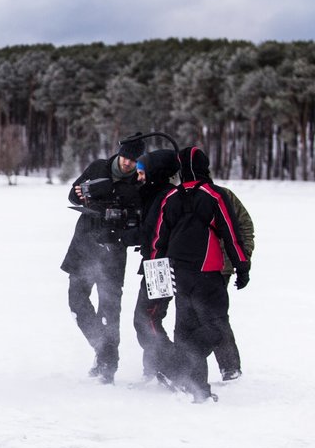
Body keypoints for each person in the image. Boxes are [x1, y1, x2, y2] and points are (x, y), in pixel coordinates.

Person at [149, 147, 250, 402]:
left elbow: (159, 239)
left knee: (185, 329)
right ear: (205, 168)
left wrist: (156, 270)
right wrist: (242, 266)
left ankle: (198, 389)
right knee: (215, 327)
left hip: (179, 273)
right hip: (208, 272)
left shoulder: (171, 196)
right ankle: (184, 365)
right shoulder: (214, 195)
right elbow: (231, 231)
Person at [61, 133, 145, 384]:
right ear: (119, 154)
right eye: (125, 158)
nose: (128, 163)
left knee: (110, 308)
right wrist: (82, 194)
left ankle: (108, 362)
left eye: (133, 160)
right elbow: (73, 195)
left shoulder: (139, 183)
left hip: (113, 250)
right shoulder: (98, 167)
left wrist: (122, 216)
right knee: (77, 302)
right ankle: (102, 347)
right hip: (83, 245)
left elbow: (139, 216)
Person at [126, 149, 180, 383]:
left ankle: (177, 370)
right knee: (147, 318)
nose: (138, 178)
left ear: (155, 173)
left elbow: (152, 233)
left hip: (161, 267)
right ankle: (153, 369)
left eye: (141, 173)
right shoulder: (154, 194)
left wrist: (119, 236)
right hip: (155, 265)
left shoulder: (166, 197)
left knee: (146, 319)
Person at [213, 186, 254, 381]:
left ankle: (230, 368)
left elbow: (245, 225)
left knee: (215, 316)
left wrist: (242, 260)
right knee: (193, 316)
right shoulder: (179, 194)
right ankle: (185, 366)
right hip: (191, 267)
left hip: (221, 266)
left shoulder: (223, 194)